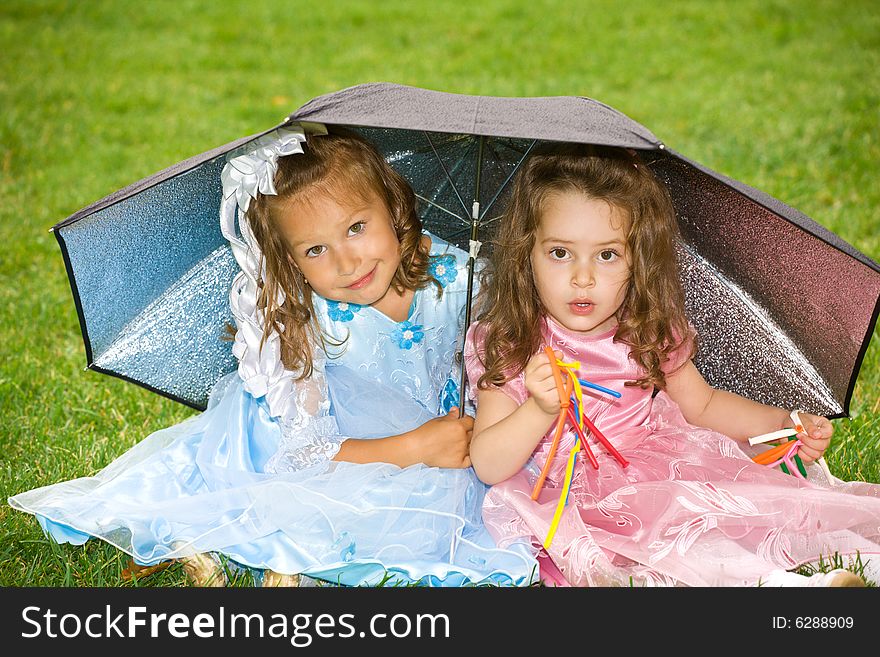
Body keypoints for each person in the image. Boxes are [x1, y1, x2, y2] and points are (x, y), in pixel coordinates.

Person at [8, 125, 537, 588]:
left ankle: (278, 556)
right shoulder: (299, 318)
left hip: (444, 441)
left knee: (465, 501)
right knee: (331, 503)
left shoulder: (466, 281)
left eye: (356, 227)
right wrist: (412, 445)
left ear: (396, 210)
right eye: (315, 250)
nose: (348, 261)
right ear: (287, 259)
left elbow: (502, 370)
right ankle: (253, 549)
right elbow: (302, 454)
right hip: (339, 448)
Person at [464, 143, 880, 587]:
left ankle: (846, 559)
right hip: (562, 494)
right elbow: (488, 463)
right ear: (526, 255)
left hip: (652, 469)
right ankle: (781, 584)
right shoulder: (509, 342)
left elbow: (703, 406)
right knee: (661, 546)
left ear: (637, 259)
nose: (582, 277)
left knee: (716, 512)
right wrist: (538, 409)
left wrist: (782, 423)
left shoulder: (646, 331)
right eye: (560, 253)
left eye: (607, 255)